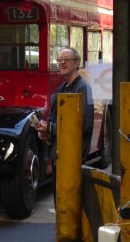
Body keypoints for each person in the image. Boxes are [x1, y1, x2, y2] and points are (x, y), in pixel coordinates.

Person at [35, 47, 94, 205]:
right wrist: (47, 131)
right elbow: (59, 121)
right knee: (60, 202)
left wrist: (50, 128)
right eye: (59, 60)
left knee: (70, 202)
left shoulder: (83, 88)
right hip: (59, 154)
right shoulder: (62, 89)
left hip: (73, 156)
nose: (62, 63)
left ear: (76, 63)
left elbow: (83, 125)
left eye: (66, 59)